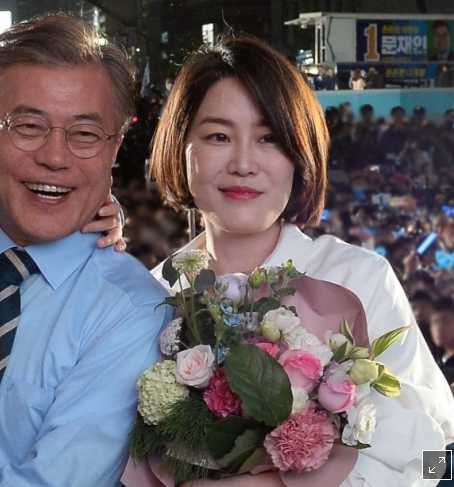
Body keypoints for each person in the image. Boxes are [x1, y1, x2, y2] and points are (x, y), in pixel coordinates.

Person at [125, 33, 454, 486]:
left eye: (269, 138)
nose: (243, 163)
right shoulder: (150, 296)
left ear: (299, 154)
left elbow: (439, 453)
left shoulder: (359, 279)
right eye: (219, 136)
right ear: (180, 148)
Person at [0, 13, 171, 487]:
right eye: (28, 126)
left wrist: (74, 204)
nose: (55, 157)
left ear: (114, 149)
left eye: (85, 134)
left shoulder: (134, 312)